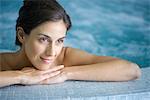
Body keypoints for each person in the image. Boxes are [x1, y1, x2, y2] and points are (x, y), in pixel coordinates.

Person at [0, 0, 141, 88]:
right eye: (43, 39)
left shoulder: (65, 58)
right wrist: (20, 76)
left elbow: (132, 70)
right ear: (21, 35)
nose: (52, 52)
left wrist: (66, 73)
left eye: (59, 41)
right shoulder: (4, 63)